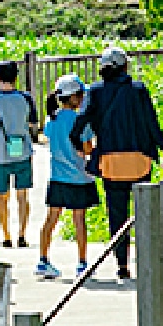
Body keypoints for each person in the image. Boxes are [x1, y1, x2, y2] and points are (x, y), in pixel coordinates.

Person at [70, 45, 163, 280]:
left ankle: (122, 265)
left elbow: (78, 126)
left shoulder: (95, 92)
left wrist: (80, 147)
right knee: (144, 214)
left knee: (117, 216)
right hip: (140, 161)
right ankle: (148, 262)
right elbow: (152, 124)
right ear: (124, 66)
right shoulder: (138, 90)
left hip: (111, 163)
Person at [36, 74, 99, 278]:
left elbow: (47, 138)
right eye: (80, 94)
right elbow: (88, 148)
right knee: (79, 220)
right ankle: (82, 263)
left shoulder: (51, 120)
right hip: (79, 177)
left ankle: (43, 260)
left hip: (57, 177)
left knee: (51, 219)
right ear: (72, 97)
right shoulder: (81, 120)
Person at [0, 61, 39, 249]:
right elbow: (33, 125)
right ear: (16, 77)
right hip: (22, 151)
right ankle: (22, 234)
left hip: (0, 154)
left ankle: (6, 236)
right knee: (22, 195)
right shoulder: (26, 98)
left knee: (2, 197)